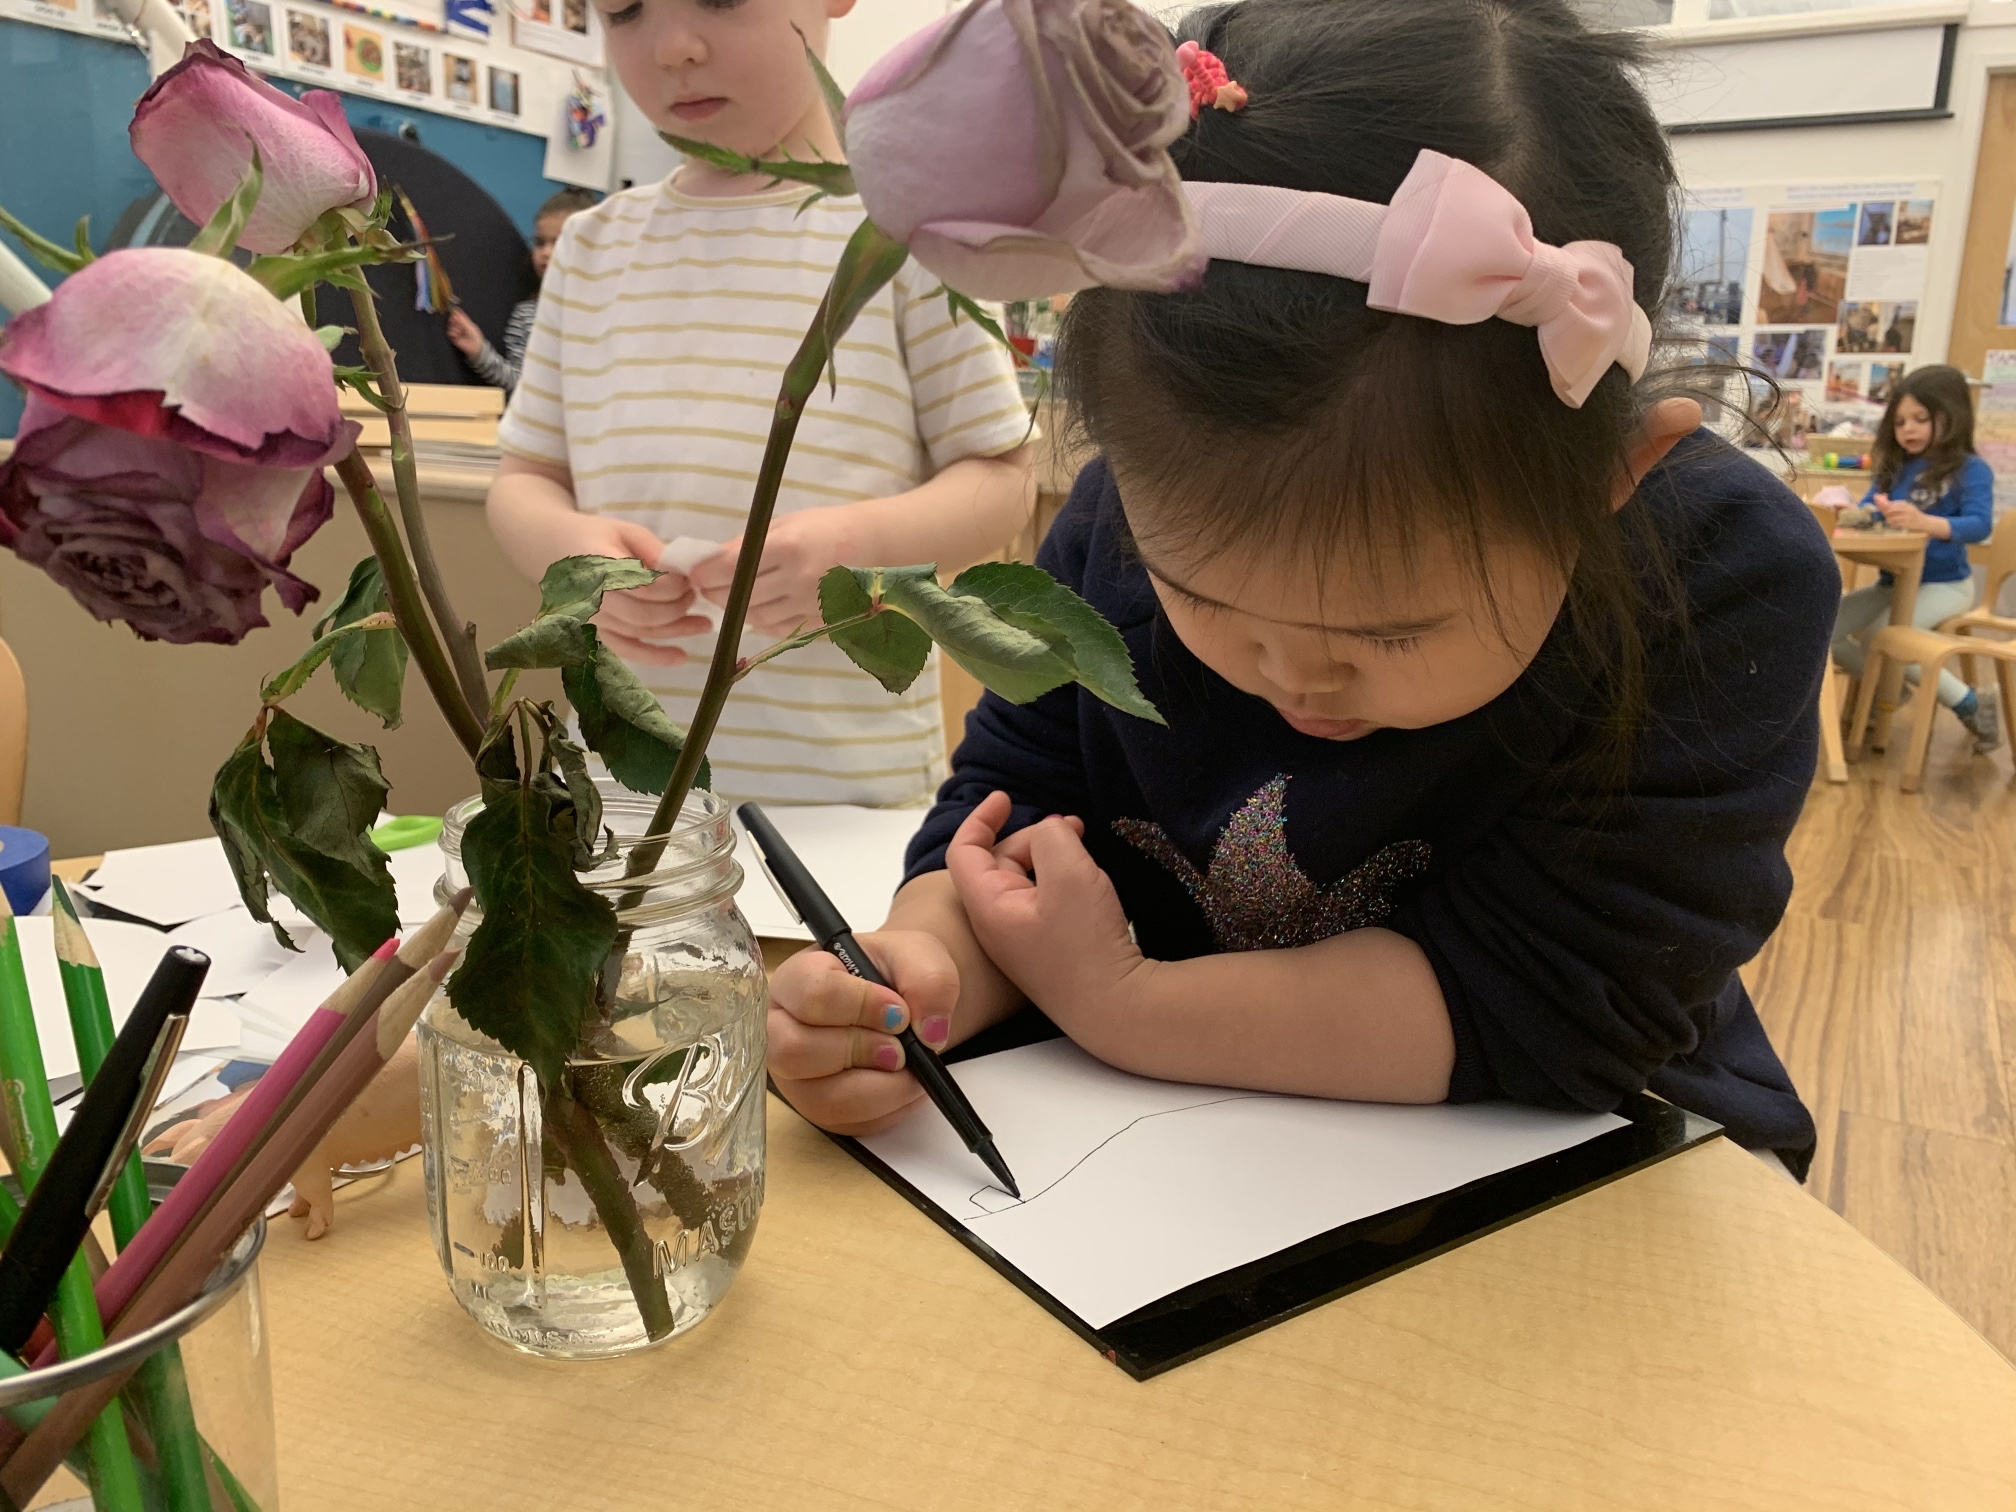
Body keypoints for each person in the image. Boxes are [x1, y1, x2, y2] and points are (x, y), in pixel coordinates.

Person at [766, 0, 1838, 1178]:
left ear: (1613, 483)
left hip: (1592, 1161)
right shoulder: (1120, 520)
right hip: (1162, 1173)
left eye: (1385, 632)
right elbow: (1013, 809)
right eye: (1202, 597)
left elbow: (1558, 1001)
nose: (1295, 679)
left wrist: (1124, 1007)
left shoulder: (1721, 572)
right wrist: (923, 976)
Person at [486, 0, 1033, 805]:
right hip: (628, 797)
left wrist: (859, 544)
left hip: (847, 799)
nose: (674, 47)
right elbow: (524, 479)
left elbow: (1003, 479)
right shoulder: (593, 250)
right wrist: (574, 558)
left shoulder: (902, 227)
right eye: (624, 10)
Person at [1831, 364, 2000, 751]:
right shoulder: (1895, 467)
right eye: (1901, 421)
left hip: (1945, 585)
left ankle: (1972, 703)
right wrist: (1856, 511)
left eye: (1921, 419)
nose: (1908, 429)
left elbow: (1977, 525)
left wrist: (1925, 522)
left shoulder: (1972, 470)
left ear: (1951, 416)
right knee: (1824, 627)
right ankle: (1887, 693)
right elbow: (1869, 505)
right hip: (1893, 584)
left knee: (1883, 638)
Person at [448, 186, 600, 393]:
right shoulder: (527, 315)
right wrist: (479, 351)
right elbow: (521, 385)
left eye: (559, 242)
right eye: (539, 243)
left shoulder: (605, 312)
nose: (546, 252)